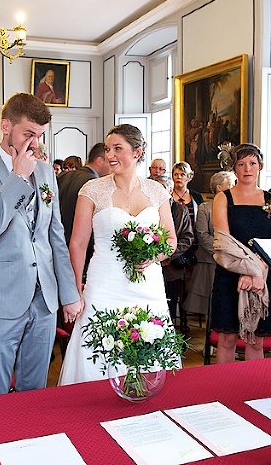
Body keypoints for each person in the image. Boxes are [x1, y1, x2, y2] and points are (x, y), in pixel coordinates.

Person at [0, 93, 82, 397]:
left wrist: (69, 294)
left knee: (35, 392)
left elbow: (55, 238)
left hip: (44, 302)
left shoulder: (45, 171)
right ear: (5, 126)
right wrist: (16, 178)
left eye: (39, 136)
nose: (35, 144)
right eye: (28, 134)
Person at [58, 124, 178, 385]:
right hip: (104, 283)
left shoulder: (157, 192)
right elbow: (77, 243)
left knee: (147, 345)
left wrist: (152, 256)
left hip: (148, 285)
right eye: (108, 149)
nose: (110, 155)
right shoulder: (92, 190)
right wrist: (75, 287)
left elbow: (170, 241)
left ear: (137, 152)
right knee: (99, 347)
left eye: (117, 149)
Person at [211, 143, 271, 363]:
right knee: (227, 338)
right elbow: (224, 243)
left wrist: (257, 272)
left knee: (256, 341)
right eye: (241, 164)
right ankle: (224, 390)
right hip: (230, 274)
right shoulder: (223, 198)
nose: (247, 168)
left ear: (260, 166)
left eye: (252, 163)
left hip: (263, 276)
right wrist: (249, 270)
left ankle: (253, 389)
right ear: (234, 168)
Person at [184, 170, 236, 317]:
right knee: (210, 305)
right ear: (219, 188)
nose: (234, 187)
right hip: (210, 260)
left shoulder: (236, 208)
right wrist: (222, 249)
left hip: (233, 260)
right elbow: (202, 235)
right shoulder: (205, 208)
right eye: (231, 184)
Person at [154, 174, 195, 323]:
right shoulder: (147, 208)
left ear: (170, 189)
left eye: (163, 188)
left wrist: (168, 255)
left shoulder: (180, 210)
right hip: (149, 263)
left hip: (172, 264)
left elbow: (187, 237)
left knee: (169, 304)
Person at [57, 142, 110, 245]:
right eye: (109, 161)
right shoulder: (94, 184)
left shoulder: (62, 176)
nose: (111, 166)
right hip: (82, 244)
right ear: (99, 161)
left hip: (59, 240)